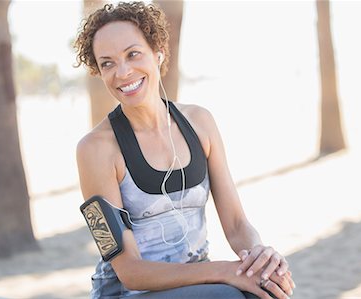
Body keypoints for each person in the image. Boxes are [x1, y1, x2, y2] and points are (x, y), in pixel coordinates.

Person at [74, 2, 295, 298]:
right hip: (126, 294)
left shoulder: (200, 122)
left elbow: (237, 224)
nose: (123, 72)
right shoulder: (94, 150)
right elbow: (130, 271)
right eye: (108, 63)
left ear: (158, 51)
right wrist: (222, 271)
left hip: (195, 284)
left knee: (267, 290)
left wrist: (259, 259)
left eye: (133, 54)